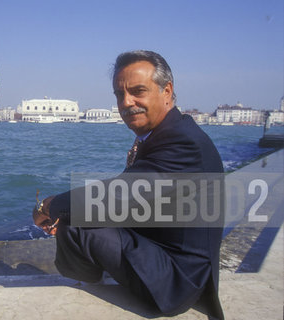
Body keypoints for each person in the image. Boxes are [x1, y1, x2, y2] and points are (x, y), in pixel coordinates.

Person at [33, 50, 225, 319]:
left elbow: (113, 199)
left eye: (138, 91)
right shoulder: (169, 132)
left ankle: (83, 284)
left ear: (167, 91)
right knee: (82, 211)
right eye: (119, 94)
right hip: (169, 255)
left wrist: (47, 206)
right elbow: (134, 197)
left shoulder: (182, 142)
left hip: (177, 280)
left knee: (76, 224)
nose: (126, 102)